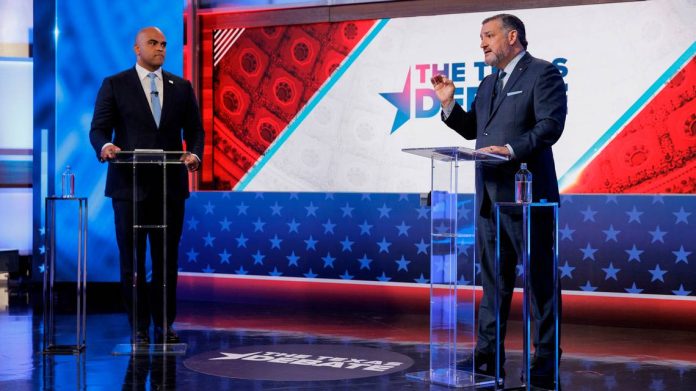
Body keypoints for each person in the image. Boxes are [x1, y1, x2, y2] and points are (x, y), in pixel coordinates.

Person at [431, 14, 566, 388]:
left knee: (539, 280)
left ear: (512, 36)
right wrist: (449, 106)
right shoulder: (489, 83)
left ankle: (546, 355)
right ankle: (488, 353)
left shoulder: (543, 73)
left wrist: (510, 150)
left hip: (527, 197)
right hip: (489, 199)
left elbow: (550, 125)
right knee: (493, 281)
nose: (482, 43)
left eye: (488, 36)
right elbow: (476, 129)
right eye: (480, 37)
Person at [89, 26, 205, 345]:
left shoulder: (181, 87)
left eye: (164, 44)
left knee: (167, 261)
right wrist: (105, 147)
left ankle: (164, 324)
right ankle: (138, 327)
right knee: (133, 262)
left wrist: (194, 153)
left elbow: (196, 131)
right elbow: (99, 129)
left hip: (169, 190)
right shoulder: (114, 85)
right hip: (129, 189)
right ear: (137, 49)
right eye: (153, 43)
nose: (160, 49)